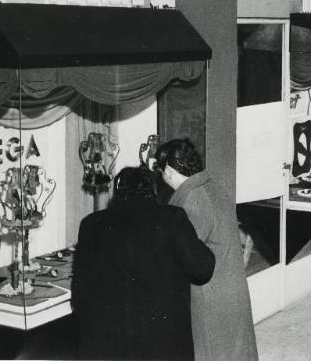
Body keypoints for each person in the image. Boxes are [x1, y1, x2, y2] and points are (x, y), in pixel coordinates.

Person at [71, 166, 215, 360]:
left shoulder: (90, 224)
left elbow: (80, 295)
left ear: (117, 191)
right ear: (153, 190)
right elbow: (203, 269)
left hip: (107, 346)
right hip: (161, 347)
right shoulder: (172, 218)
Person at [156, 139, 259, 361]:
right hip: (230, 283)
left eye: (161, 171)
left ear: (170, 171)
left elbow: (184, 255)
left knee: (212, 351)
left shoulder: (190, 199)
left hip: (210, 293)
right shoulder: (211, 185)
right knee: (235, 350)